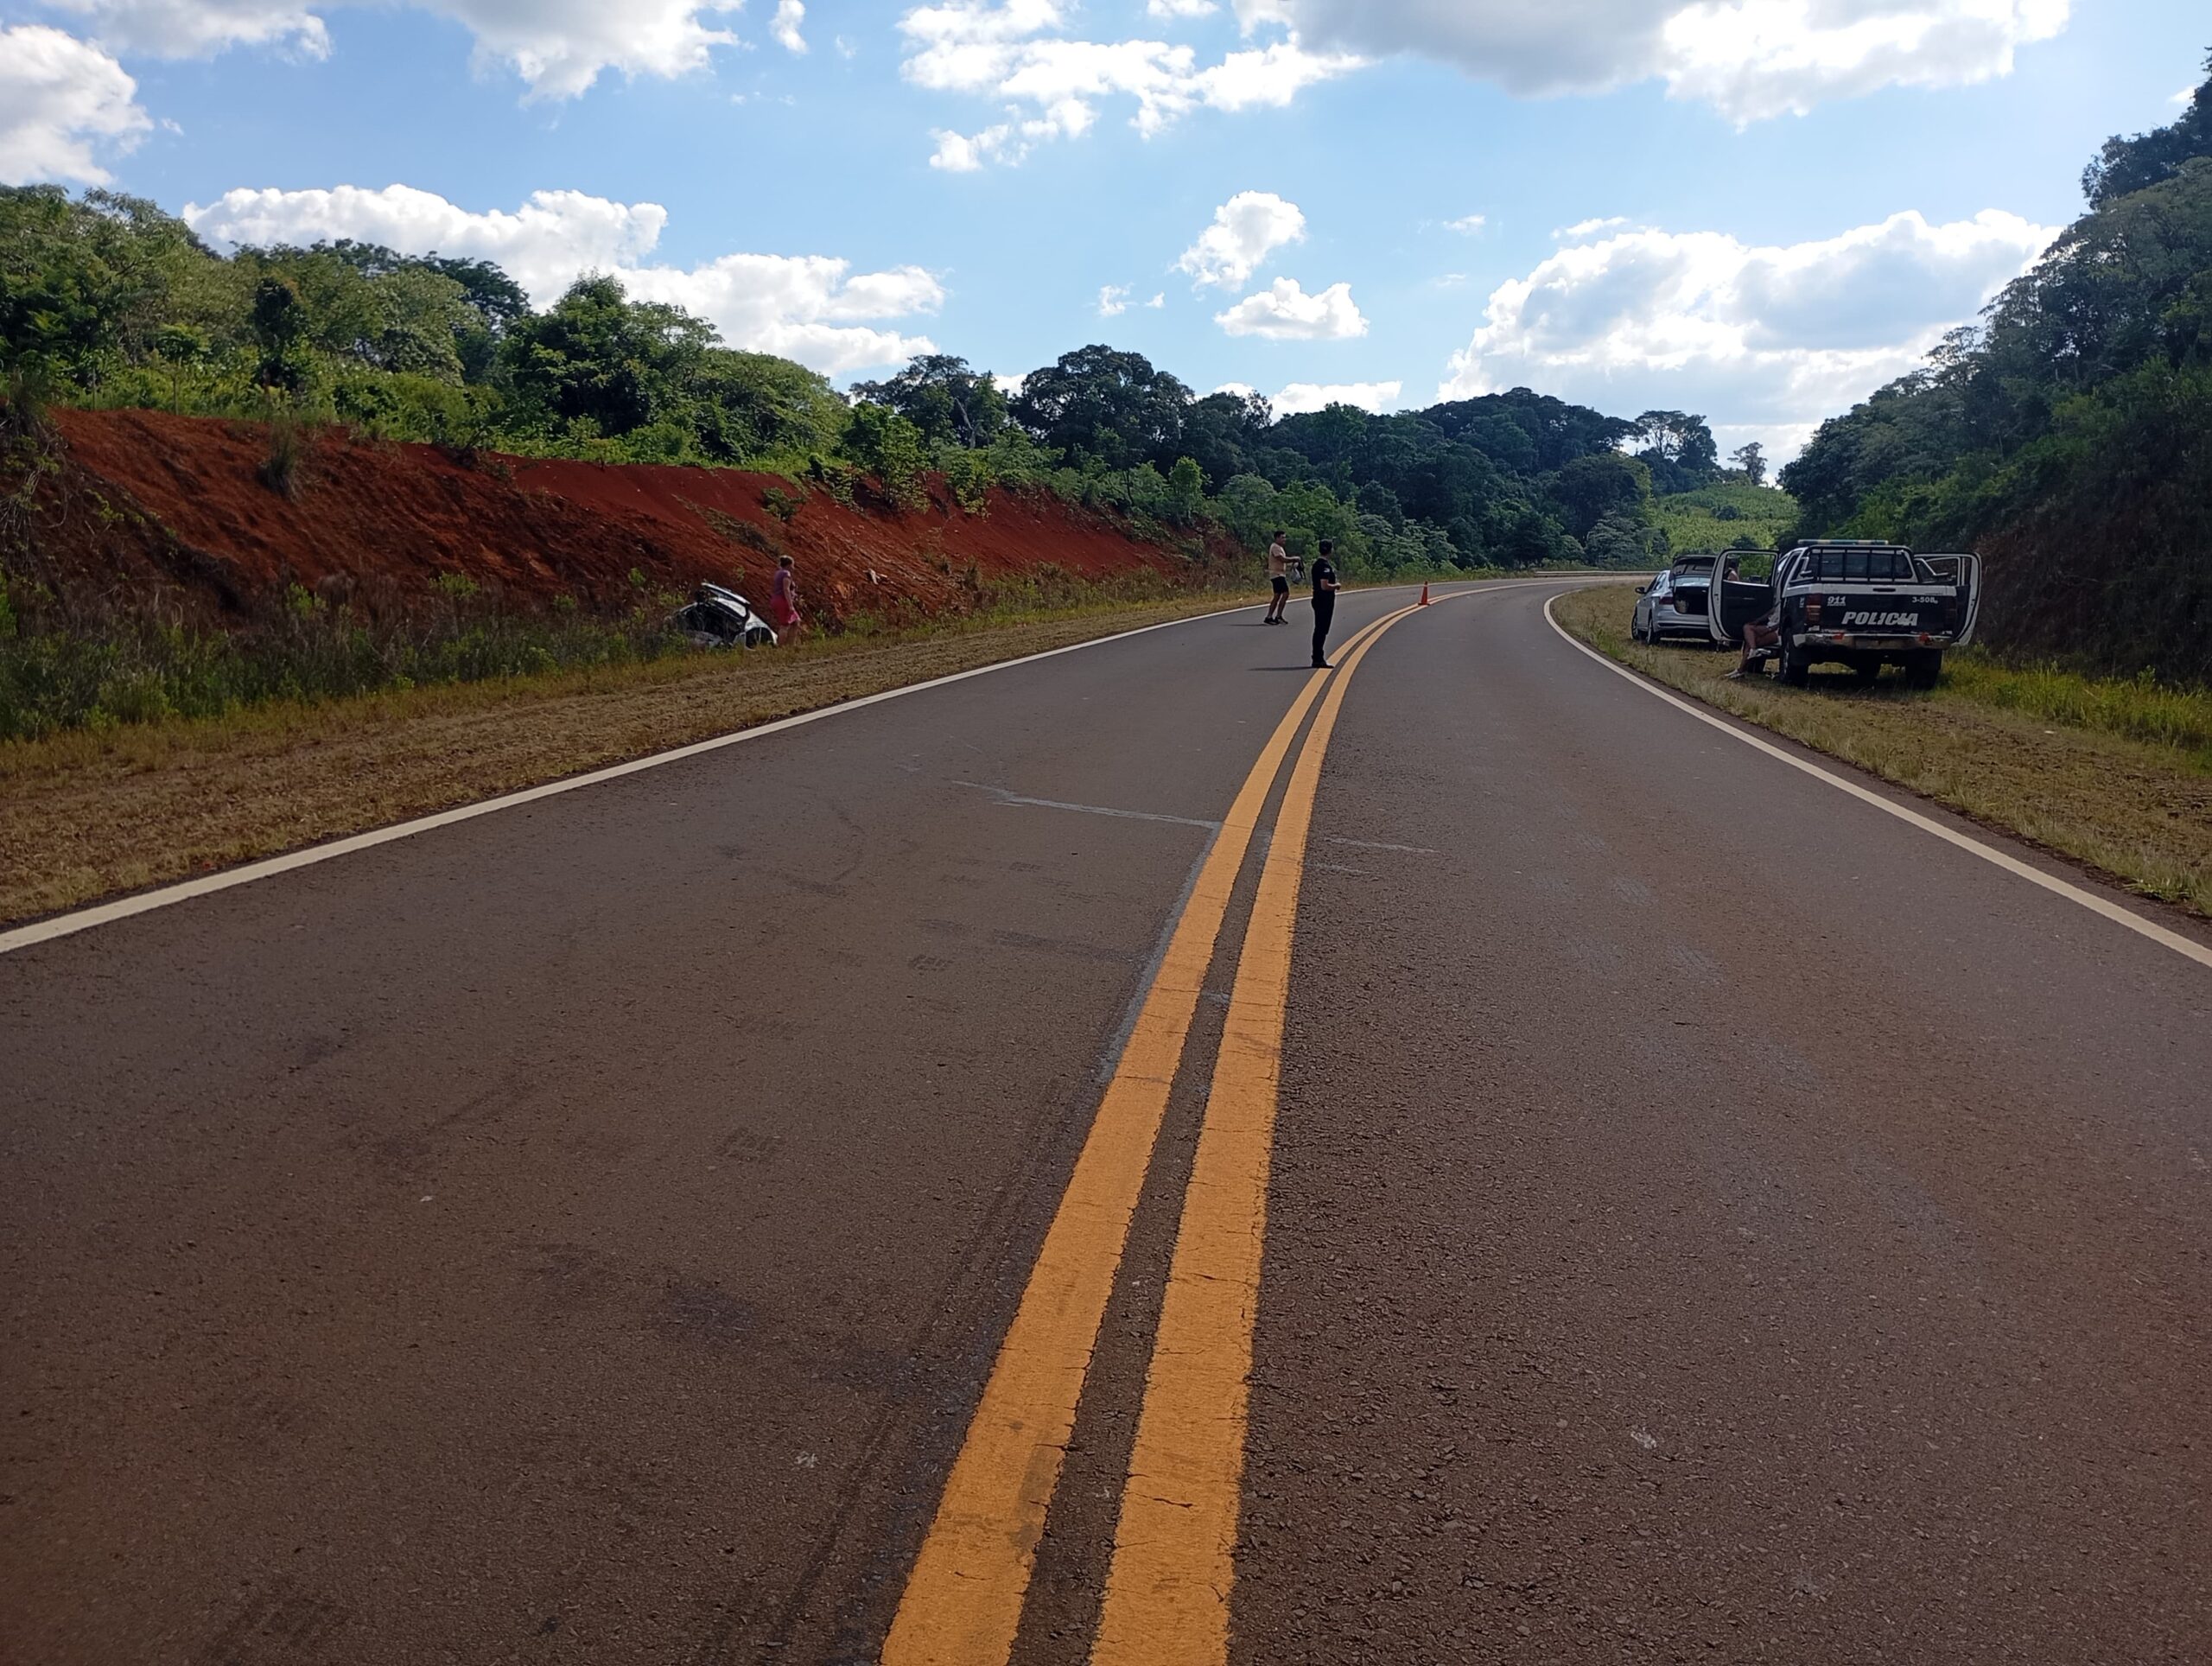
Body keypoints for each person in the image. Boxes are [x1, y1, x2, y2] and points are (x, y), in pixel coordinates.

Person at [1309, 539, 1339, 668]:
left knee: (1320, 629)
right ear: (1330, 550)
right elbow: (1324, 586)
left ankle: (1317, 657)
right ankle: (1318, 658)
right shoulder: (1324, 566)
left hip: (1318, 598)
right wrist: (1336, 586)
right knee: (1321, 629)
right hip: (1324, 600)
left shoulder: (1317, 564)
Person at [767, 554, 801, 640]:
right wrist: (790, 605)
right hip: (783, 600)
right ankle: (782, 645)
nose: (793, 568)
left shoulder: (778, 573)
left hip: (777, 600)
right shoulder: (786, 574)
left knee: (796, 622)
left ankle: (790, 643)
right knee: (784, 625)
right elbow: (786, 589)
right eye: (793, 565)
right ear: (789, 565)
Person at [1264, 531, 1291, 625]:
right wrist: (1294, 559)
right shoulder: (1275, 547)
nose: (1284, 539)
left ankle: (1270, 616)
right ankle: (1278, 616)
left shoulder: (1280, 548)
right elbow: (1281, 559)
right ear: (1277, 538)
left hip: (1279, 574)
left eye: (1285, 537)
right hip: (1277, 574)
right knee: (1285, 593)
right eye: (1282, 537)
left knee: (1277, 595)